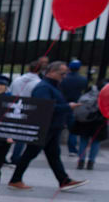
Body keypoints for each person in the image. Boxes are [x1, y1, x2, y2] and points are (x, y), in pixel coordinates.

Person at [8, 61, 87, 192]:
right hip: (45, 127)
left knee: (53, 155)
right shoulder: (44, 87)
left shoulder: (53, 86)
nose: (65, 76)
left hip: (53, 127)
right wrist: (67, 107)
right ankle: (15, 179)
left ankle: (64, 180)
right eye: (62, 73)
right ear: (51, 72)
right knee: (31, 153)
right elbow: (44, 107)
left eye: (66, 73)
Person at [70, 83, 109, 171]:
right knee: (95, 141)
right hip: (98, 121)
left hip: (84, 121)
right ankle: (91, 162)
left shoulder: (88, 93)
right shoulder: (104, 95)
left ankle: (81, 161)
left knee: (83, 141)